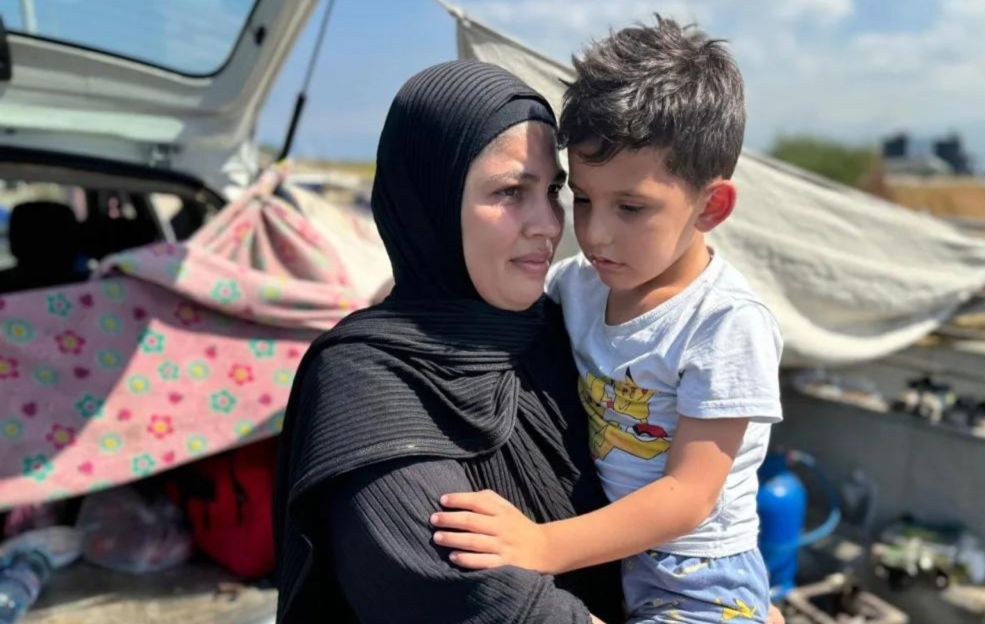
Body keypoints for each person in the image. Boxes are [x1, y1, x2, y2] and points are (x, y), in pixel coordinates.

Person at [432, 18, 784, 623]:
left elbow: (688, 497)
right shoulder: (579, 285)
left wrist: (543, 545)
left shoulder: (724, 323)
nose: (593, 233)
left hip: (701, 579)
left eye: (631, 207)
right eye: (585, 199)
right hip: (618, 564)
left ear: (711, 206)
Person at [272, 60, 623, 623]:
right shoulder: (364, 381)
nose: (549, 225)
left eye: (554, 191)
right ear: (429, 202)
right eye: (511, 191)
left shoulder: (563, 330)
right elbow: (477, 600)